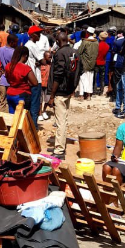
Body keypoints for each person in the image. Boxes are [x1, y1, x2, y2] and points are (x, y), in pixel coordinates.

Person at [47, 32, 77, 160]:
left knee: (60, 122)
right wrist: (73, 88)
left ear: (58, 42)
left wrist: (52, 96)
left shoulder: (60, 53)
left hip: (59, 92)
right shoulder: (74, 52)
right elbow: (78, 71)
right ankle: (60, 145)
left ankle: (59, 150)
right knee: (63, 118)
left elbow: (58, 75)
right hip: (68, 90)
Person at [103, 101, 125, 184]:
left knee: (116, 170)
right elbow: (118, 147)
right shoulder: (123, 128)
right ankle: (107, 193)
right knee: (106, 167)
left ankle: (118, 195)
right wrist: (114, 156)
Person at [5, 46, 38, 114]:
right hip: (22, 95)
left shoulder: (8, 66)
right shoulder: (25, 68)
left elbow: (8, 80)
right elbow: (35, 83)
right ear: (25, 56)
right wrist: (27, 83)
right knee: (22, 118)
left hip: (10, 94)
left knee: (12, 117)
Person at [25, 26, 46, 129]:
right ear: (32, 35)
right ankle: (33, 127)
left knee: (29, 103)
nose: (39, 36)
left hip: (29, 77)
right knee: (35, 104)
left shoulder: (28, 45)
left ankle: (29, 125)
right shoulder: (32, 45)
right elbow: (43, 61)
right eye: (38, 34)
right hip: (35, 78)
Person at [78, 26, 99, 100]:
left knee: (82, 79)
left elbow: (79, 52)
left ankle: (81, 95)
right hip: (93, 63)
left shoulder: (85, 42)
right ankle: (89, 95)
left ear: (87, 33)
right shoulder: (96, 42)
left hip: (84, 63)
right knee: (90, 79)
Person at [111, 30, 125, 114]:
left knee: (117, 82)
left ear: (120, 34)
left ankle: (116, 99)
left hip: (119, 63)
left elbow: (114, 51)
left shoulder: (117, 42)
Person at [38, 51, 52, 121]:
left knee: (47, 99)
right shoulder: (40, 65)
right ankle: (40, 113)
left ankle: (44, 111)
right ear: (44, 57)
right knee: (40, 100)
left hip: (48, 85)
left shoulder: (51, 65)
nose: (50, 58)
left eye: (51, 57)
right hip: (41, 84)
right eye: (49, 57)